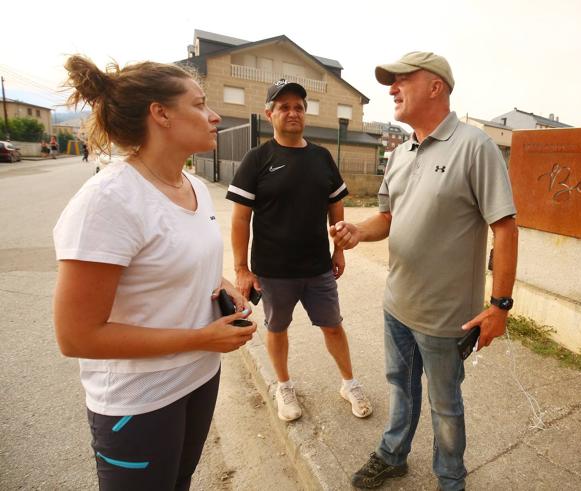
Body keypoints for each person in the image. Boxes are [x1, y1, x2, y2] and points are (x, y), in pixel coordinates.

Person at [53, 55, 256, 491]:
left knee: (179, 482)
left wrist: (219, 284)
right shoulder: (108, 201)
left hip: (199, 377)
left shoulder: (194, 186)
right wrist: (201, 338)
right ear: (160, 113)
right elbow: (77, 337)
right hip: (139, 401)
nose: (214, 115)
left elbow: (173, 261)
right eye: (200, 104)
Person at [330, 52, 518, 490]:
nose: (392, 89)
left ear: (436, 86)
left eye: (401, 80)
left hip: (445, 317)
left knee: (445, 403)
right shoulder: (399, 153)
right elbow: (388, 219)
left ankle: (451, 478)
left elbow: (505, 229)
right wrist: (358, 230)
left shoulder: (475, 147)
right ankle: (393, 454)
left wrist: (500, 307)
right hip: (397, 303)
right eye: (390, 83)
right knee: (400, 387)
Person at [226, 79, 372, 422]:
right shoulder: (257, 159)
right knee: (277, 329)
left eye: (298, 107)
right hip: (273, 271)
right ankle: (284, 387)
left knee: (333, 326)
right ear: (269, 114)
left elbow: (336, 205)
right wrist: (241, 269)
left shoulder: (321, 157)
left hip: (318, 267)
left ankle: (349, 383)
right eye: (284, 107)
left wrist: (339, 251)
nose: (293, 112)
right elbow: (239, 220)